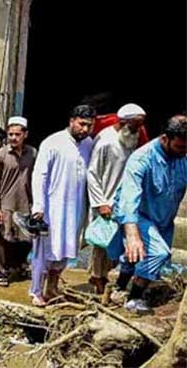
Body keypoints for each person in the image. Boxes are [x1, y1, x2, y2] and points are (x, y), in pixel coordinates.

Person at [107, 115, 187, 314]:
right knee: (158, 252)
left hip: (163, 217)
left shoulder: (182, 156)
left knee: (139, 255)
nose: (183, 152)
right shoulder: (142, 158)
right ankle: (134, 297)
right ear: (164, 139)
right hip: (138, 214)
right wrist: (132, 233)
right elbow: (128, 197)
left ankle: (119, 285)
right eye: (179, 147)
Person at [29, 105, 96, 306]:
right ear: (72, 121)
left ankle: (52, 287)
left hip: (75, 208)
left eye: (89, 126)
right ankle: (36, 291)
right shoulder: (53, 142)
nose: (85, 129)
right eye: (82, 124)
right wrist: (38, 206)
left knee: (66, 249)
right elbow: (38, 175)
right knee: (44, 251)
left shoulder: (89, 144)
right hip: (51, 208)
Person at [86, 103, 146, 293]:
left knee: (115, 245)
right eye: (136, 125)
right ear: (124, 123)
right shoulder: (106, 141)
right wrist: (101, 202)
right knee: (102, 244)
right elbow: (92, 173)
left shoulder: (131, 139)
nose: (139, 130)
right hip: (105, 201)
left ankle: (101, 277)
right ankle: (98, 281)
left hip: (124, 203)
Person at [0, 116, 36, 287]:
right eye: (10, 134)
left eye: (17, 134)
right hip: (6, 204)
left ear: (25, 134)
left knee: (25, 239)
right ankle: (3, 272)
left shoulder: (32, 153)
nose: (14, 138)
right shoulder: (0, 155)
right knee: (3, 239)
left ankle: (19, 267)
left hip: (25, 203)